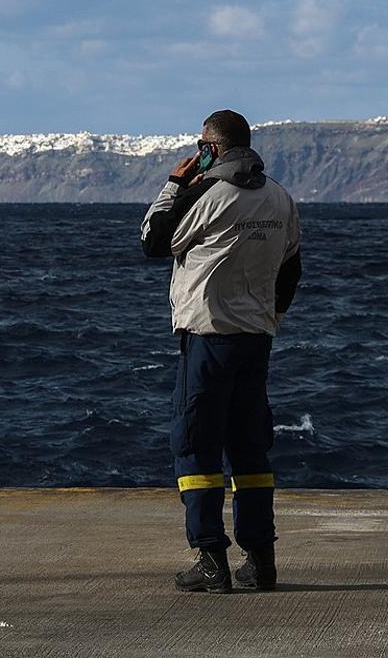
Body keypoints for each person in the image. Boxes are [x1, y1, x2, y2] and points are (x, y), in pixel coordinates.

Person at [140, 109, 302, 593]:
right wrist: (271, 316)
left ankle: (211, 558)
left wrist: (174, 184)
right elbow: (291, 268)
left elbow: (153, 240)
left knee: (196, 446)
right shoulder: (280, 197)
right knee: (250, 448)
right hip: (256, 339)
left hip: (209, 337)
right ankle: (261, 560)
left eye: (201, 147)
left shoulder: (207, 193)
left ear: (210, 148)